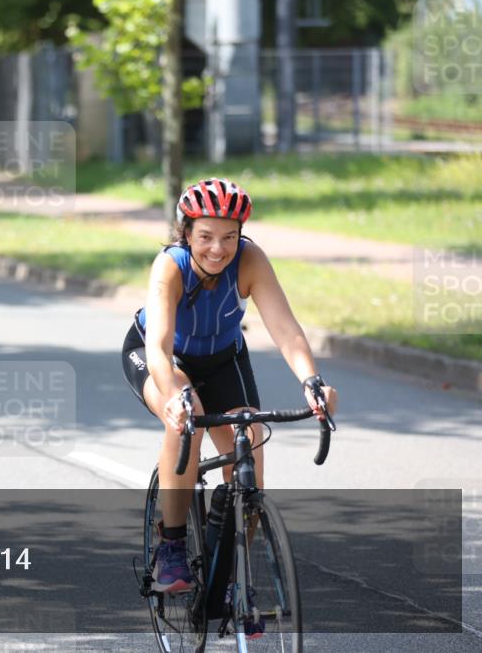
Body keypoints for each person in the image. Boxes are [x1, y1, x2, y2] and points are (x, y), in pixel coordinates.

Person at [121, 177, 338, 593]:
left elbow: (286, 330)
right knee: (188, 419)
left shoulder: (251, 260)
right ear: (186, 233)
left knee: (250, 442)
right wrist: (172, 395)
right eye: (205, 236)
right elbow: (160, 347)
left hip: (223, 359)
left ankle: (234, 577)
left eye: (229, 237)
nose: (217, 249)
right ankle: (172, 546)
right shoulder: (171, 265)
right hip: (163, 358)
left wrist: (312, 382)